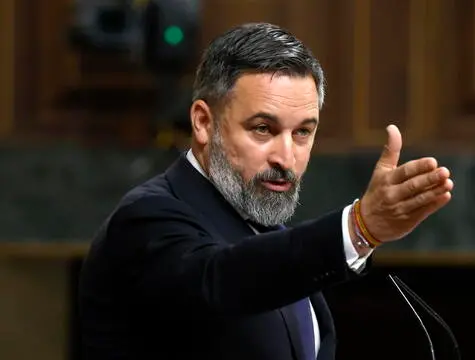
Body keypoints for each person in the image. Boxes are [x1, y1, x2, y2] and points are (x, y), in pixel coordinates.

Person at [77, 22, 454, 360]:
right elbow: (221, 280)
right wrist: (358, 229)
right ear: (204, 123)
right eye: (263, 129)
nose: (286, 157)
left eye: (303, 132)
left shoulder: (273, 238)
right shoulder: (147, 219)